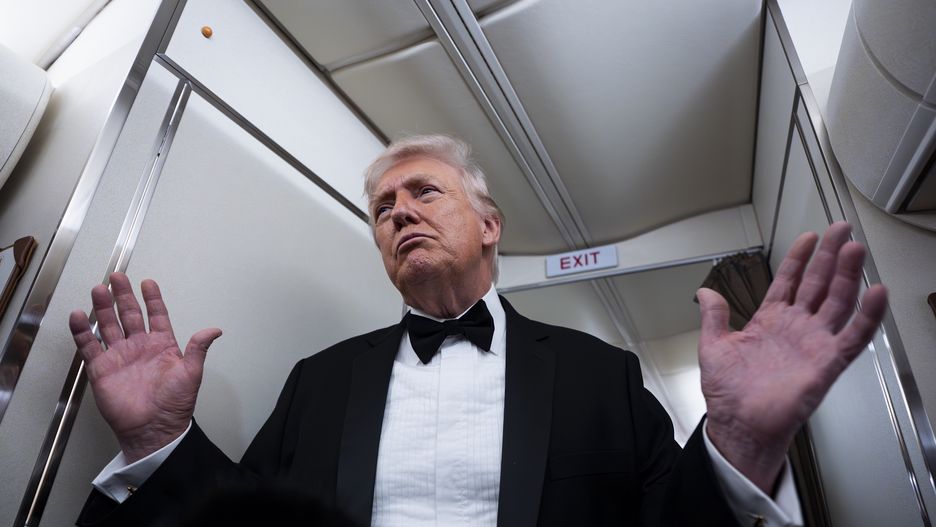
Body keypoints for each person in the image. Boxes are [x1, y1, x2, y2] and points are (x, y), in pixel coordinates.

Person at [71, 135, 887, 526]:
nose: (399, 214)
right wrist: (159, 443)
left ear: (490, 224)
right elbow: (241, 522)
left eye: (423, 193)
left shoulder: (599, 373)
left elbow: (669, 523)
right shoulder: (320, 379)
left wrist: (737, 443)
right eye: (383, 209)